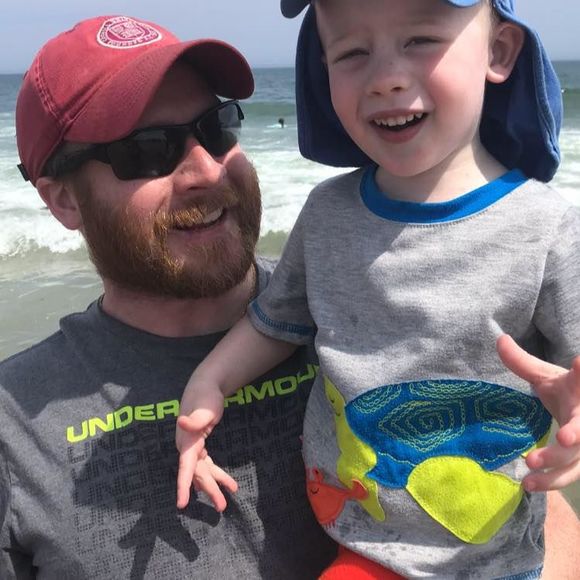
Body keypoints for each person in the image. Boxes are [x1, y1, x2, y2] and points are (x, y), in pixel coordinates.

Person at [177, 1, 580, 578]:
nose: (385, 77)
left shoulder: (547, 229)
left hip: (494, 559)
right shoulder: (327, 215)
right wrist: (208, 383)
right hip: (361, 543)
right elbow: (276, 322)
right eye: (352, 52)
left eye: (420, 39)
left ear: (499, 52)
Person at [0, 14, 336, 578]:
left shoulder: (357, 305)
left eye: (216, 128)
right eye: (148, 150)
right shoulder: (15, 426)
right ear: (64, 201)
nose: (206, 169)